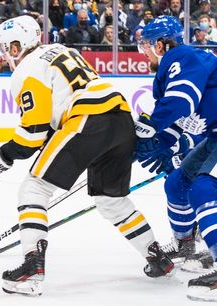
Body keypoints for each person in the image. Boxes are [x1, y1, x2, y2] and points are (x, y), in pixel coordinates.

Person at [0, 15, 174, 297]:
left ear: (18, 46)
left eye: (8, 47)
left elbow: (33, 133)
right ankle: (157, 257)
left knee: (35, 187)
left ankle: (32, 266)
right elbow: (55, 121)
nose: (7, 54)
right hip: (121, 119)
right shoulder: (65, 51)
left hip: (87, 120)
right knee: (111, 199)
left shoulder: (26, 69)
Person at [136, 15, 217, 301]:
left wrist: (148, 129)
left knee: (201, 187)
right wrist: (163, 142)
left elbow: (181, 101)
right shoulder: (177, 68)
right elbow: (183, 119)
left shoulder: (181, 56)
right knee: (177, 183)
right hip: (214, 135)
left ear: (160, 44)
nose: (143, 52)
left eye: (145, 45)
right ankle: (185, 246)